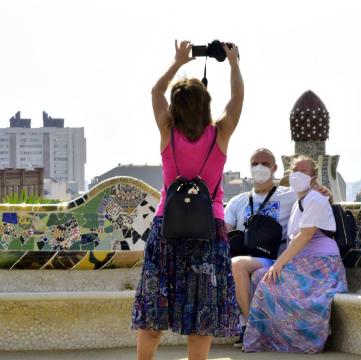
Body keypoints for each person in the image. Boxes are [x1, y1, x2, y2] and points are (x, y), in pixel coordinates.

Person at [131, 39, 243, 360]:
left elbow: (155, 93)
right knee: (201, 316)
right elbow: (237, 99)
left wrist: (179, 61)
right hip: (209, 232)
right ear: (206, 105)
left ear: (176, 108)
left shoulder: (168, 131)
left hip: (168, 230)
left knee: (154, 311)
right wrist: (234, 63)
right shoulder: (220, 134)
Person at [224, 148, 330, 348]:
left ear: (275, 168)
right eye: (255, 163)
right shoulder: (237, 202)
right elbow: (222, 232)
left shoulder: (290, 195)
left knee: (236, 266)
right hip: (248, 255)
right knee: (234, 264)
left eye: (265, 163)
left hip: (276, 258)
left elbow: (322, 199)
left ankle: (249, 326)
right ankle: (249, 324)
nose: (259, 167)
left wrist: (319, 187)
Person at [242, 156, 348, 354]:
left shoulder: (315, 199)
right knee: (258, 276)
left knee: (268, 279)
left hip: (321, 265)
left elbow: (305, 235)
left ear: (313, 177)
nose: (298, 174)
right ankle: (268, 337)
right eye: (294, 170)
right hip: (303, 262)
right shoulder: (299, 200)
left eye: (304, 171)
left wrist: (278, 264)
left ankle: (296, 341)